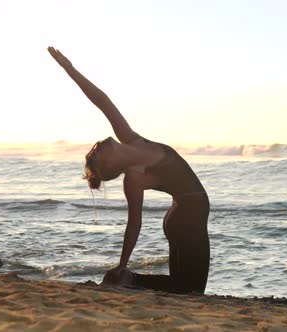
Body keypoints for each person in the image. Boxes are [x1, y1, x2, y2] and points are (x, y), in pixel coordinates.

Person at [47, 47, 210, 294]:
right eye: (96, 154)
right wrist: (123, 263)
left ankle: (128, 279)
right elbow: (134, 223)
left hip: (184, 214)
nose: (97, 145)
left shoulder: (131, 139)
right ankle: (128, 279)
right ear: (110, 165)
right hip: (188, 217)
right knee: (192, 291)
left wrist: (70, 69)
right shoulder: (134, 177)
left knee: (183, 287)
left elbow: (102, 101)